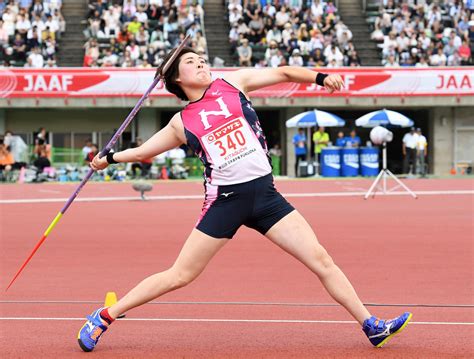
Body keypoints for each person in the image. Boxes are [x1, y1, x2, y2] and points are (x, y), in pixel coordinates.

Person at [78, 47, 412, 352]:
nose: (201, 64)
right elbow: (142, 151)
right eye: (192, 63)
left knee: (321, 260)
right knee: (181, 274)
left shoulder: (233, 84)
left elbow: (283, 72)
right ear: (178, 79)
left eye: (202, 60)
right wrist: (108, 159)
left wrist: (321, 78)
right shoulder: (181, 122)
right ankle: (105, 316)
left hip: (266, 196)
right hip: (226, 200)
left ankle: (371, 326)